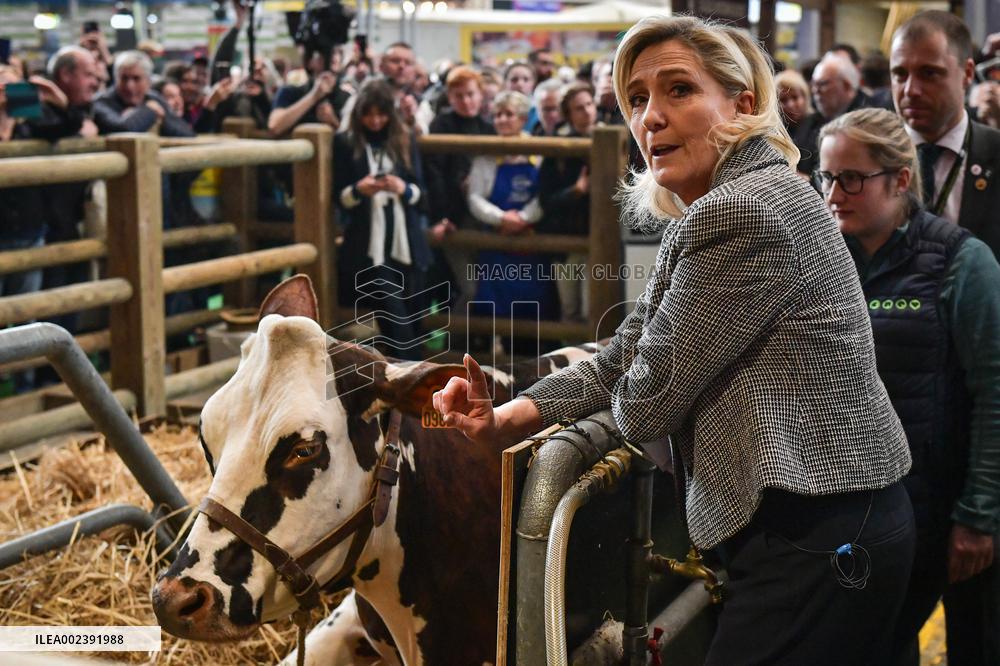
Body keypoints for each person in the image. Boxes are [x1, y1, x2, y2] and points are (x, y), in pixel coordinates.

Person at [433, 15, 915, 665]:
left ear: (742, 103)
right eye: (636, 99)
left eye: (679, 90)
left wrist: (633, 375)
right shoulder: (739, 198)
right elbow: (626, 353)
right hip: (835, 524)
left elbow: (645, 402)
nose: (650, 117)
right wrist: (508, 418)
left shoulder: (739, 213)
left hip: (812, 537)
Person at [817, 106, 1000, 666]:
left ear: (900, 178)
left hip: (935, 508)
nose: (833, 193)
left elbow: (995, 391)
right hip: (846, 512)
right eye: (825, 177)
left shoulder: (960, 261)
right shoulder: (821, 259)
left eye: (850, 178)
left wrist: (978, 514)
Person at [890, 10, 1000, 260]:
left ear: (968, 74)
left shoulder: (995, 152)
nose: (911, 90)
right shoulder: (868, 158)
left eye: (929, 73)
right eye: (900, 74)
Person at [333, 80, 430, 361]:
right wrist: (358, 190)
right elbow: (338, 198)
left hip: (408, 244)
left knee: (414, 319)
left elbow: (422, 195)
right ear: (359, 114)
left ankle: (411, 378)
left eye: (381, 114)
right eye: (368, 114)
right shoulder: (345, 143)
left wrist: (402, 188)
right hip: (367, 250)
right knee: (393, 317)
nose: (375, 121)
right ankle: (414, 375)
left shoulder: (404, 139)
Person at [467, 91, 557, 337]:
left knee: (535, 305)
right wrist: (501, 219)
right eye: (497, 115)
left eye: (508, 114)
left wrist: (525, 218)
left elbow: (545, 193)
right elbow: (475, 197)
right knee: (494, 306)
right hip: (496, 242)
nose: (502, 120)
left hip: (531, 243)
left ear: (521, 118)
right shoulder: (486, 154)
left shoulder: (539, 151)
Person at [424, 65, 496, 311]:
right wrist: (443, 216)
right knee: (469, 288)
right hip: (453, 218)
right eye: (459, 96)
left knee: (485, 286)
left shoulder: (488, 126)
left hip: (485, 215)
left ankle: (478, 343)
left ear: (480, 93)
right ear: (449, 97)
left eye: (471, 94)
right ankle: (455, 344)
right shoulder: (440, 125)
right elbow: (434, 176)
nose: (466, 101)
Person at [538, 82, 596, 322]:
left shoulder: (616, 138)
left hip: (599, 238)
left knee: (593, 310)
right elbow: (546, 200)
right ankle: (571, 359)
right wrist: (576, 191)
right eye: (579, 108)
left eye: (589, 104)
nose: (587, 111)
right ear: (569, 114)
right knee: (570, 309)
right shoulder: (558, 148)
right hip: (568, 239)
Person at [793, 52, 870, 174]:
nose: (815, 91)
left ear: (846, 86)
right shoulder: (810, 121)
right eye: (813, 84)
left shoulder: (868, 121)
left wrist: (809, 181)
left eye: (822, 84)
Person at [93, 51, 194, 137]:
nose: (129, 86)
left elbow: (187, 132)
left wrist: (162, 120)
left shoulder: (153, 98)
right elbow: (122, 130)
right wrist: (149, 111)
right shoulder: (101, 102)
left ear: (148, 81)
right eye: (124, 78)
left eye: (136, 79)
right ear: (116, 79)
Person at [775, 68, 812, 133]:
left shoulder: (819, 124)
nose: (790, 105)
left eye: (795, 97)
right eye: (783, 100)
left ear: (804, 96)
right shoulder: (776, 132)